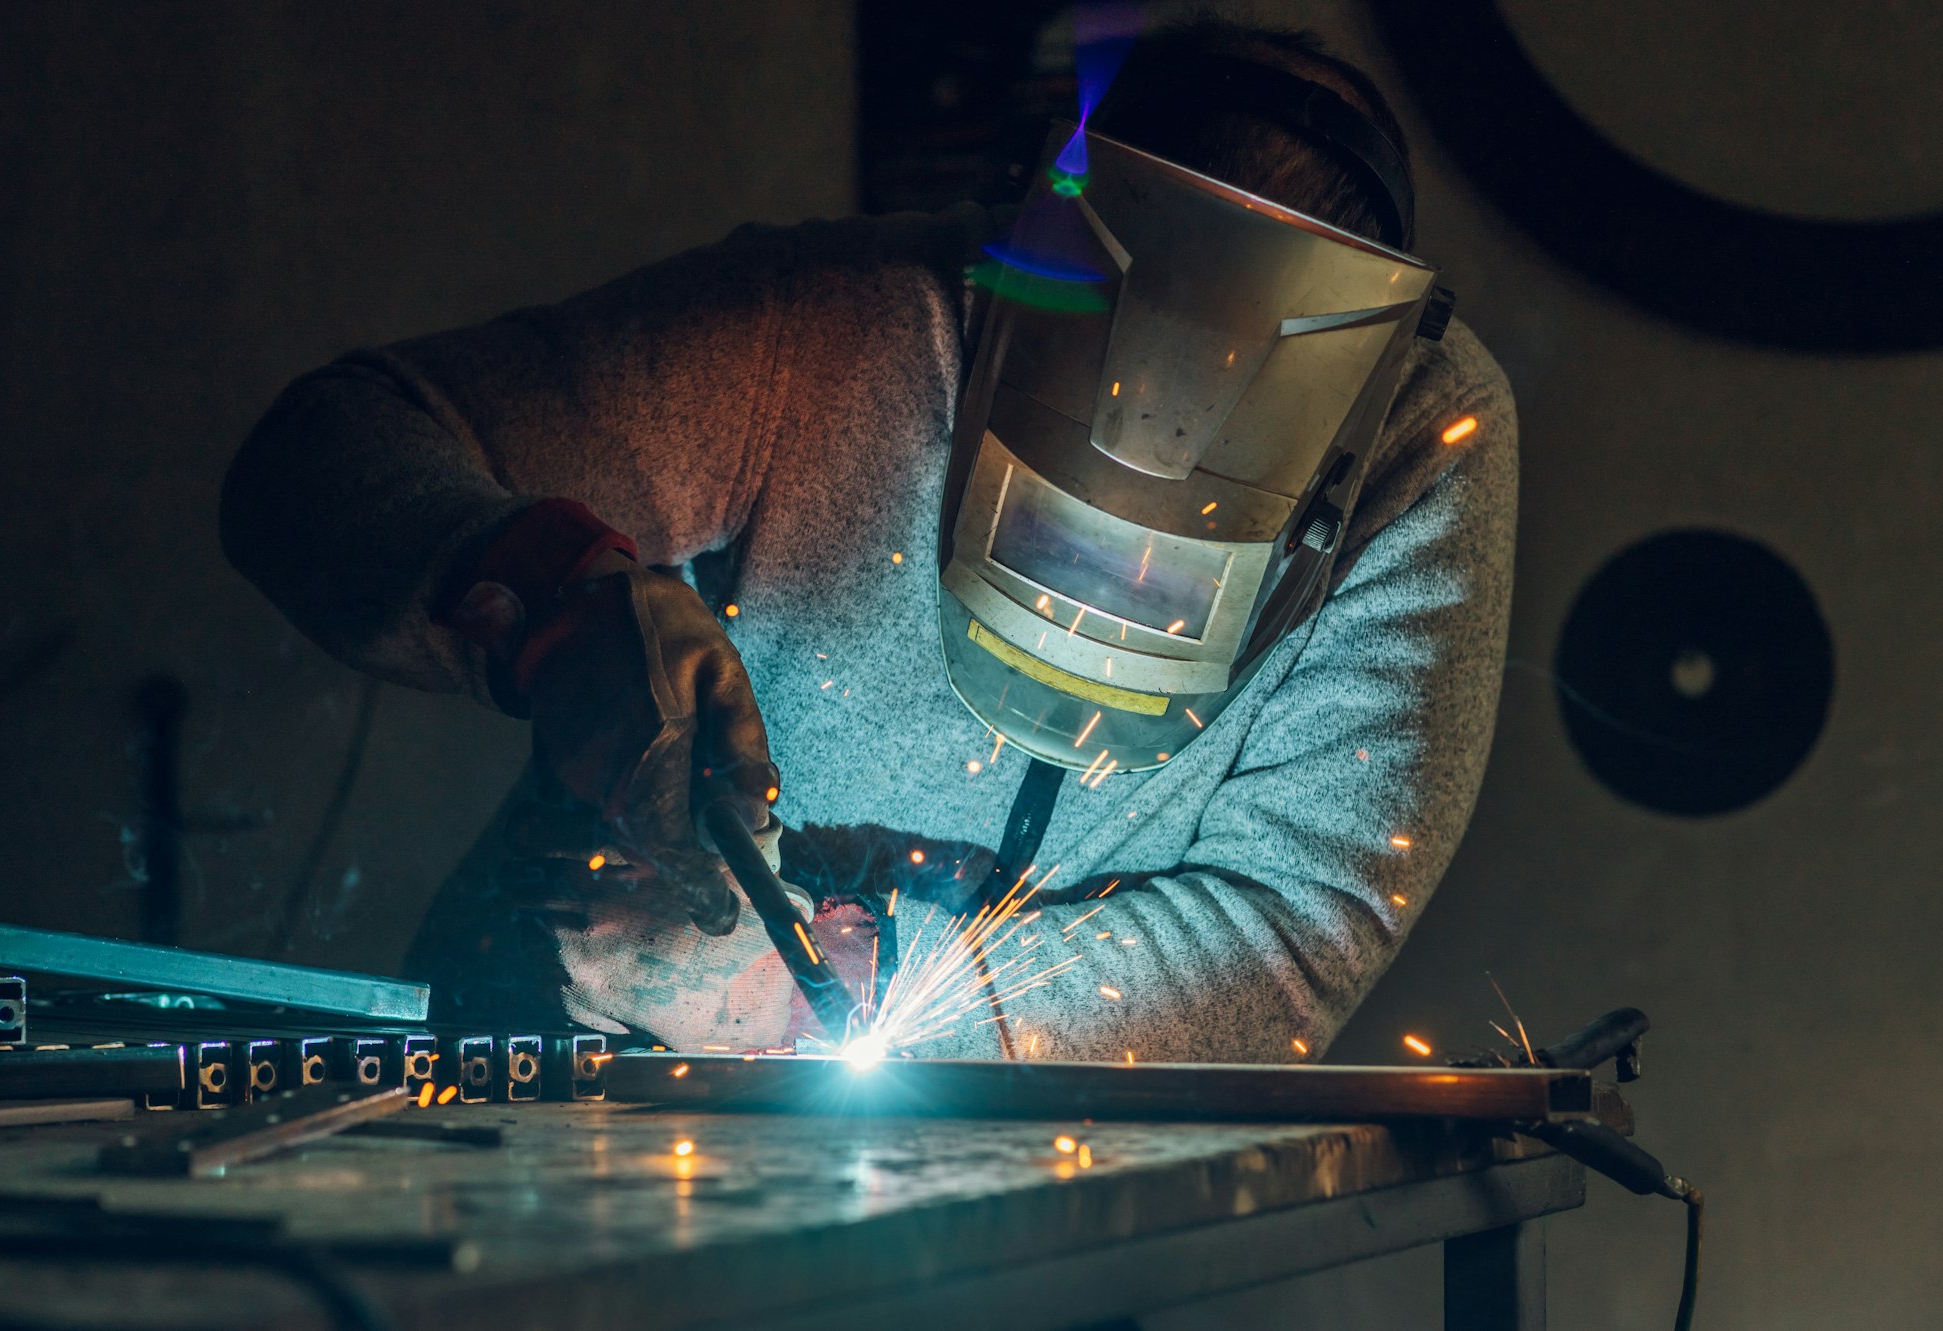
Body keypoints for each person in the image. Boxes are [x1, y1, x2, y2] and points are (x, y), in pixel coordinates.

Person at [220, 20, 1517, 1064]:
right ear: (1013, 272)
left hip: (1020, 1196)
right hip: (549, 1074)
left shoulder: (1416, 434)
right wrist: (546, 588)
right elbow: (321, 451)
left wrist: (860, 986)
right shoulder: (827, 332)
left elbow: (1296, 923)